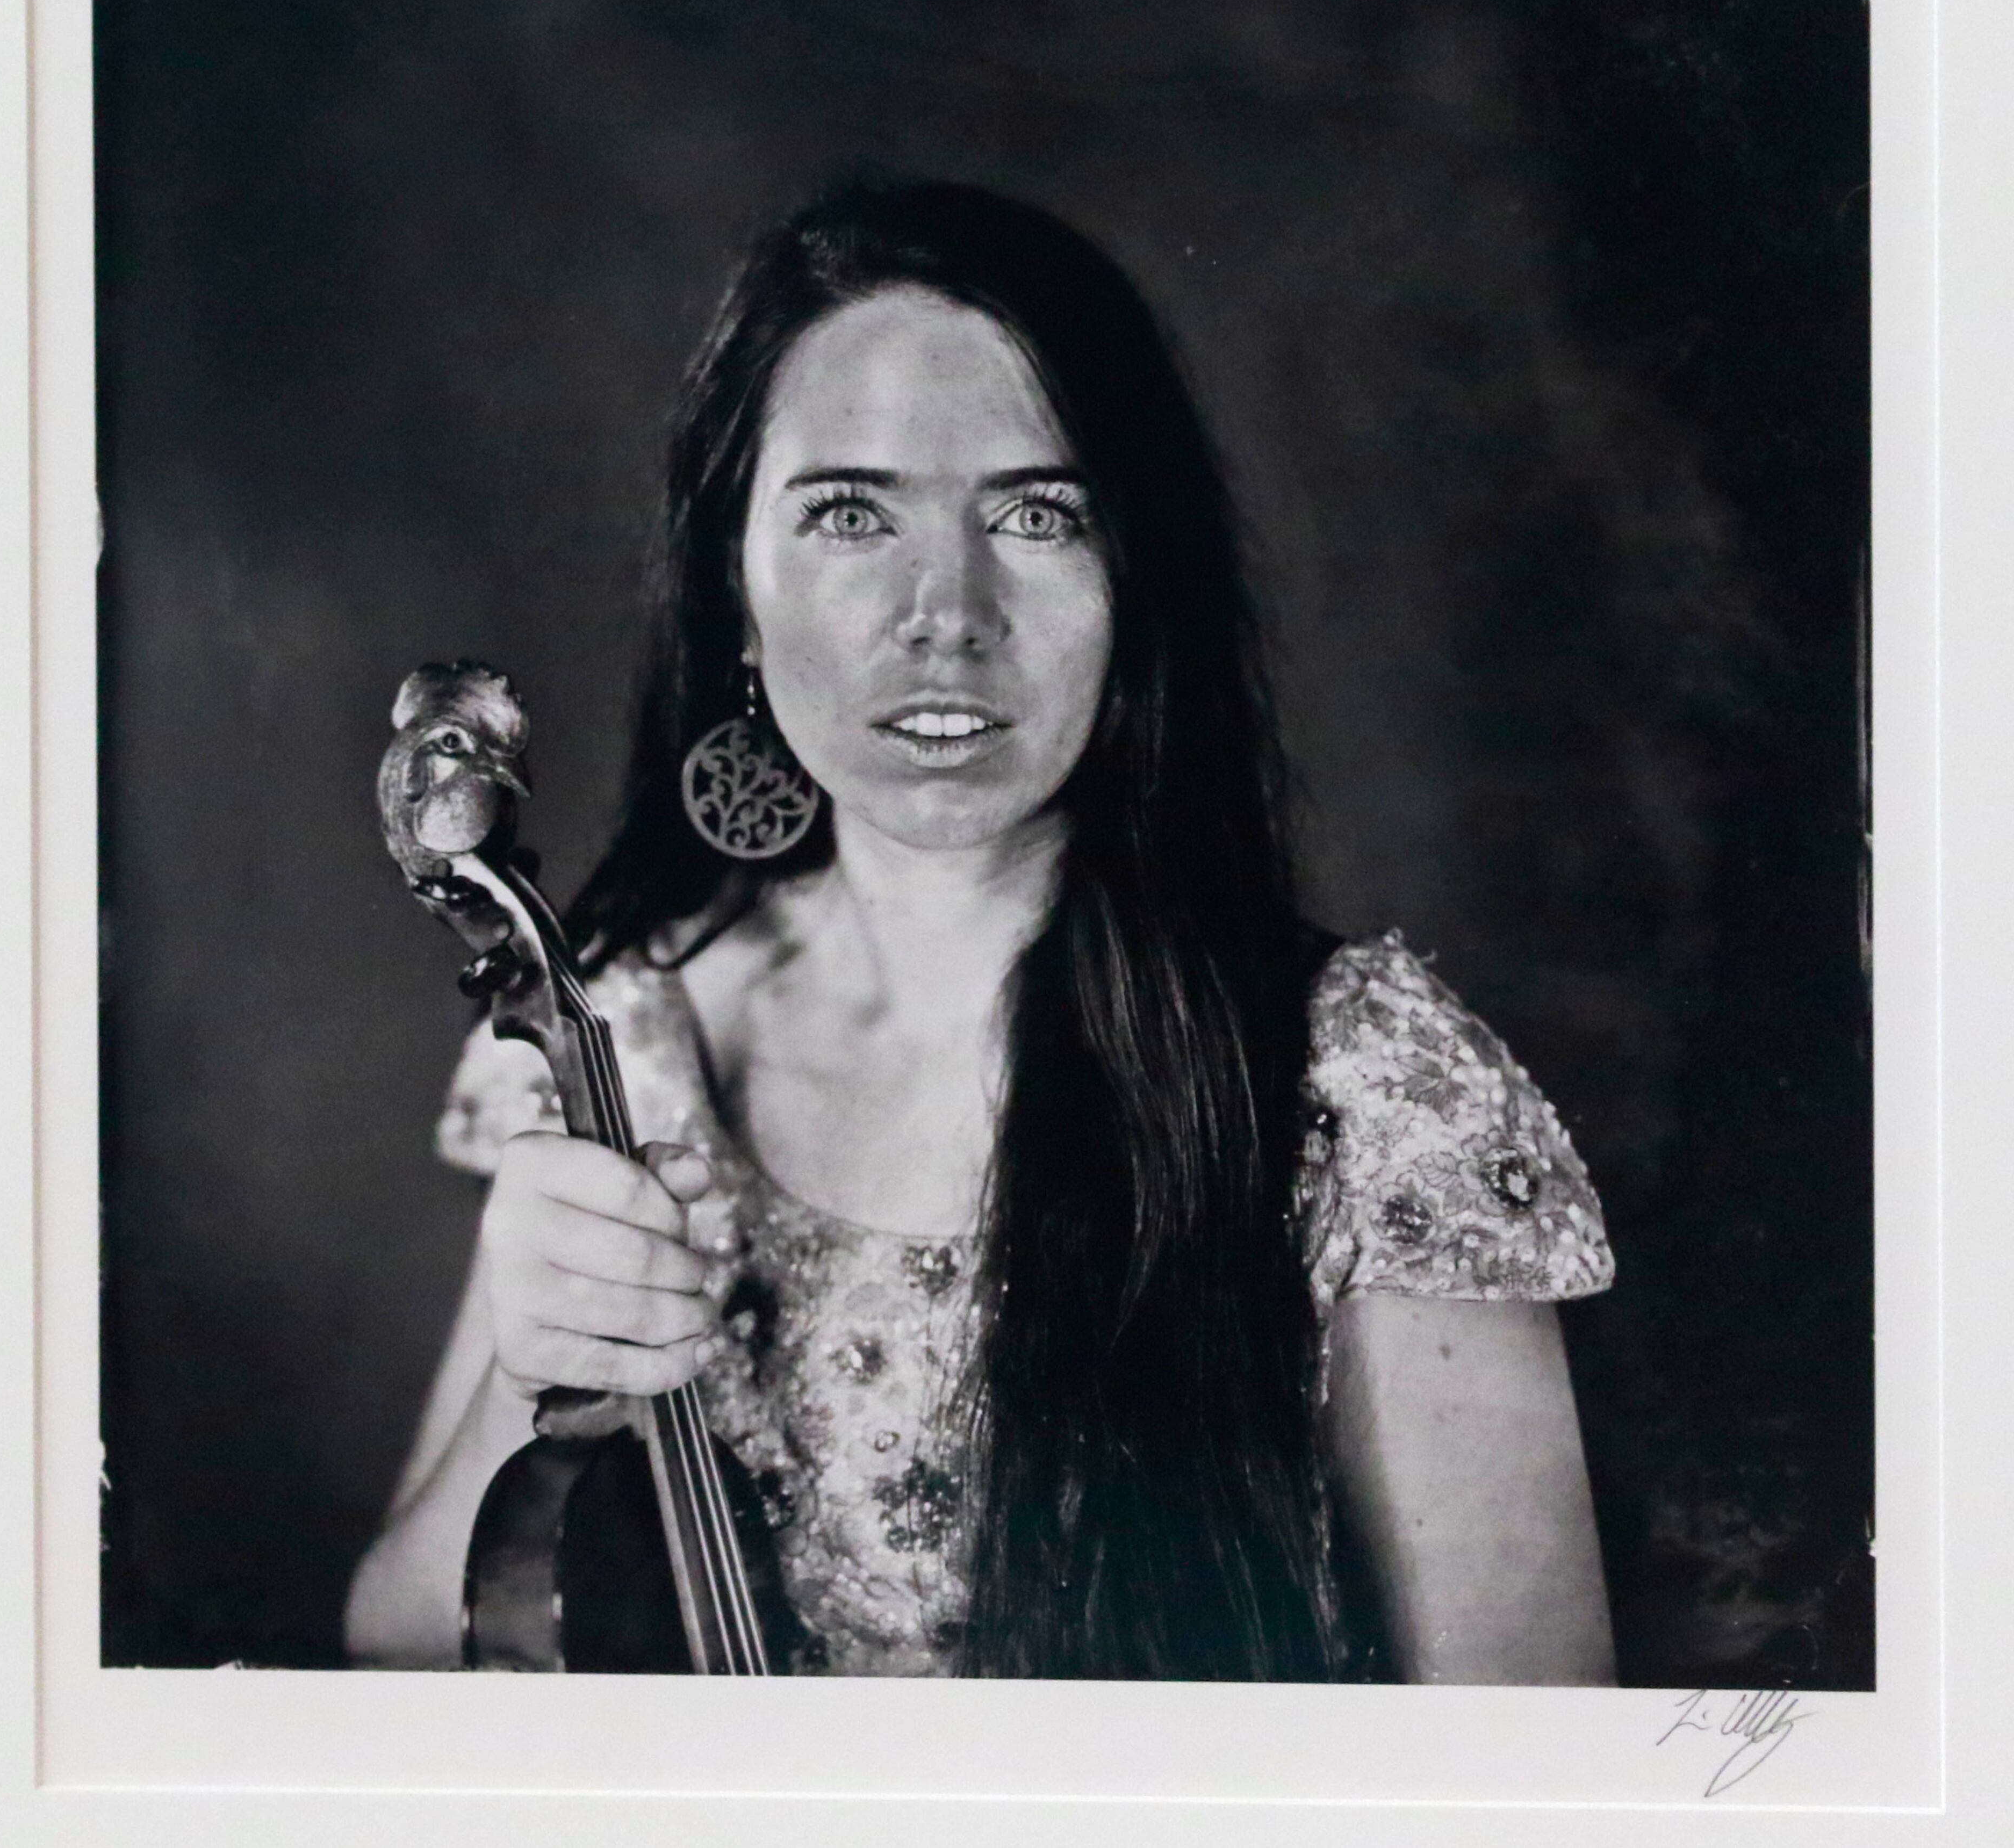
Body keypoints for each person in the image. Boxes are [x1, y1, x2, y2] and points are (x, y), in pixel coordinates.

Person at [344, 179, 1617, 1683]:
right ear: (733, 594)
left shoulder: (1365, 1081)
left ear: (1134, 584)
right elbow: (404, 1657)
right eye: (849, 515)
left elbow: (1532, 1773)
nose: (945, 613)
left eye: (1034, 513)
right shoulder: (619, 1036)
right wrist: (532, 1371)